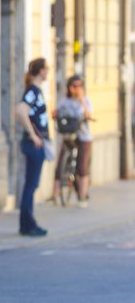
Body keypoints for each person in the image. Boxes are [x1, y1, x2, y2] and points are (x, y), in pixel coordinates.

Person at [15, 57, 49, 237]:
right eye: (46, 69)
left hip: (36, 143)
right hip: (33, 144)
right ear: (41, 71)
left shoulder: (36, 91)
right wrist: (33, 134)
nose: (48, 72)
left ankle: (26, 224)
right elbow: (20, 110)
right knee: (31, 185)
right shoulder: (33, 91)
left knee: (30, 185)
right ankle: (28, 225)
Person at [52, 75, 93, 207]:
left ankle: (82, 197)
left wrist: (81, 100)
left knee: (82, 167)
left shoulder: (86, 100)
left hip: (83, 136)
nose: (77, 88)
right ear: (69, 87)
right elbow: (56, 112)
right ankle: (55, 196)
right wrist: (55, 114)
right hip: (68, 135)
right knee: (60, 165)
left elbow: (88, 114)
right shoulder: (64, 101)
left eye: (80, 86)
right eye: (74, 86)